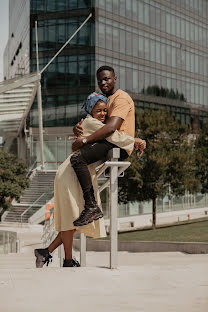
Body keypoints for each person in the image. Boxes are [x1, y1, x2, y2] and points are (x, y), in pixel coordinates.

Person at [34, 92, 139, 268]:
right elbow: (115, 136)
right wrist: (136, 141)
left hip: (73, 174)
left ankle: (47, 253)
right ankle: (64, 260)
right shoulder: (91, 123)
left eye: (105, 111)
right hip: (70, 175)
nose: (104, 114)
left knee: (74, 219)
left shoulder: (91, 123)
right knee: (71, 218)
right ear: (91, 110)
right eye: (99, 110)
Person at [71, 65, 146, 227]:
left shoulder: (121, 98)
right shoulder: (103, 99)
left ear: (115, 79)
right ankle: (87, 205)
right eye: (100, 81)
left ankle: (91, 207)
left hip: (117, 146)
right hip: (111, 142)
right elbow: (93, 122)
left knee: (78, 159)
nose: (103, 83)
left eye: (106, 79)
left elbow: (111, 128)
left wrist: (85, 140)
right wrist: (77, 128)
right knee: (76, 159)